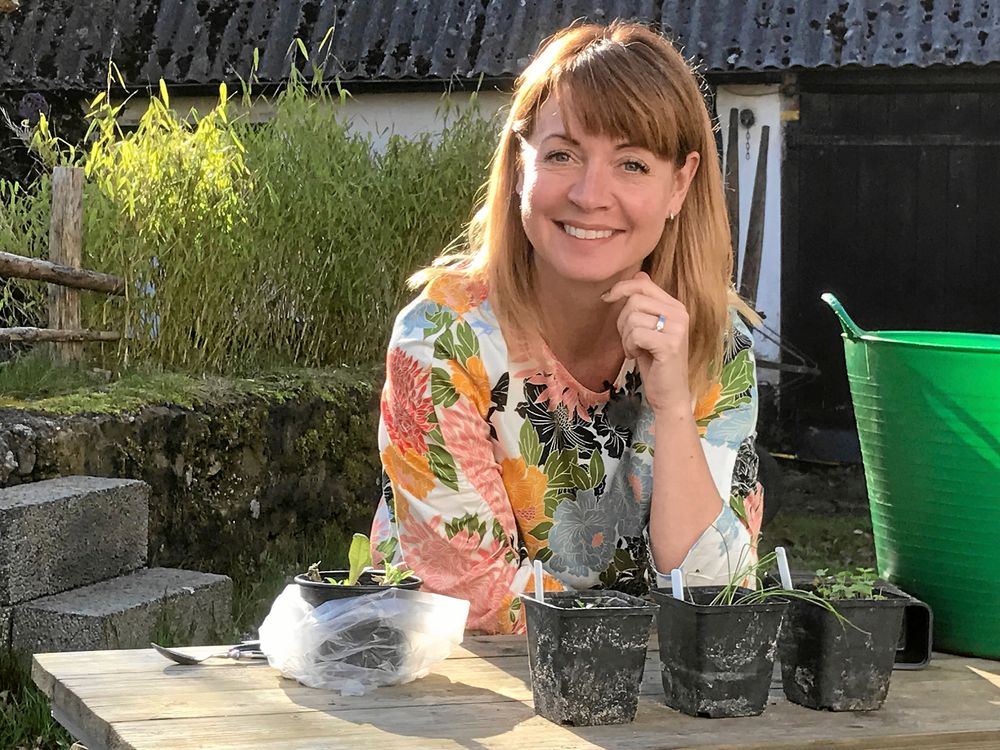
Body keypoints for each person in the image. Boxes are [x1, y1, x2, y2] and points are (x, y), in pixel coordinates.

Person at [370, 21, 764, 634]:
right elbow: (475, 598)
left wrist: (672, 408)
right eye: (562, 155)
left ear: (679, 184)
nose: (589, 194)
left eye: (632, 164)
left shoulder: (715, 343)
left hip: (656, 686)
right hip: (470, 682)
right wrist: (643, 634)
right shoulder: (442, 340)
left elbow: (717, 599)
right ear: (518, 163)